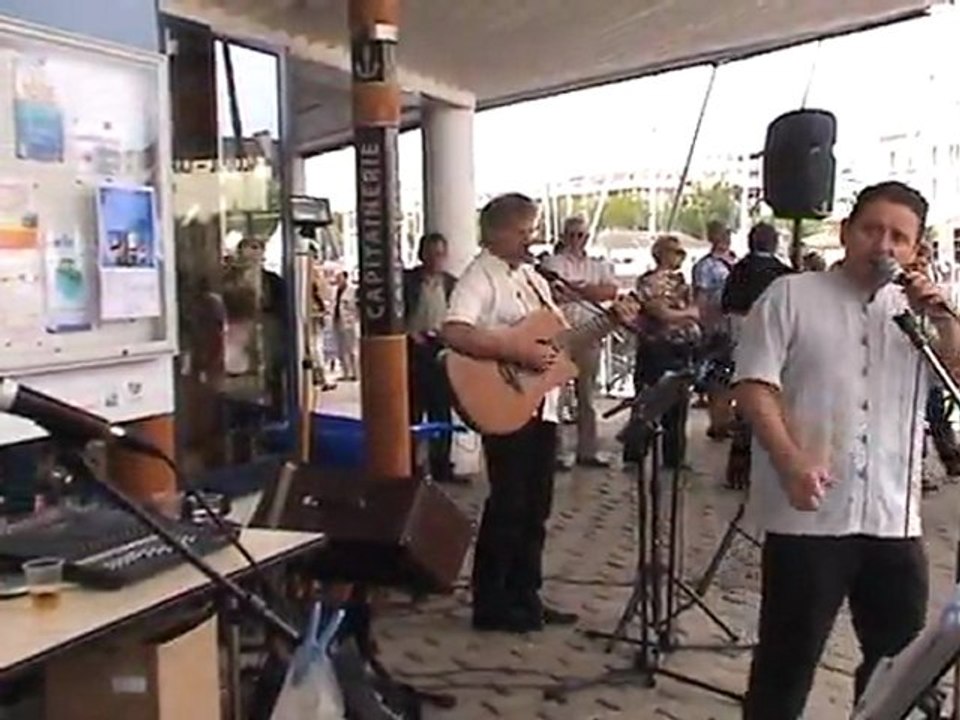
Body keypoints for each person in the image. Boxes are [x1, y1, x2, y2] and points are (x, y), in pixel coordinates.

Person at [734, 181, 960, 719]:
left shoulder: (918, 314)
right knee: (786, 664)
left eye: (899, 237)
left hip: (892, 518)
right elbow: (754, 385)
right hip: (808, 519)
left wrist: (945, 319)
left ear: (916, 249)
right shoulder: (791, 295)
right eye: (871, 230)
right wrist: (789, 460)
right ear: (845, 233)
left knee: (899, 667)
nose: (883, 246)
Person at [441, 193, 583, 633]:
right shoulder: (479, 276)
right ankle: (491, 601)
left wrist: (613, 318)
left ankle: (527, 594)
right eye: (523, 231)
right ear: (498, 232)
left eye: (532, 230)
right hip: (503, 402)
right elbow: (455, 331)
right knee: (508, 503)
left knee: (536, 505)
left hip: (541, 406)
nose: (531, 239)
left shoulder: (533, 278)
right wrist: (514, 348)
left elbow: (555, 340)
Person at [721, 223, 795, 490]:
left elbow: (726, 305)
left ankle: (738, 470)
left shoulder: (738, 270)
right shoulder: (783, 274)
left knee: (745, 402)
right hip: (778, 344)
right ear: (773, 243)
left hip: (742, 338)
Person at [541, 215, 619, 469]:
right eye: (572, 235)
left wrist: (576, 290)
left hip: (591, 332)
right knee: (558, 397)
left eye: (581, 235)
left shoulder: (598, 264)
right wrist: (587, 290)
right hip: (561, 334)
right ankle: (557, 452)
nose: (576, 240)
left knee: (587, 396)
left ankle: (588, 451)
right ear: (563, 237)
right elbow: (554, 293)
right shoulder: (553, 262)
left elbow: (609, 291)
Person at [628, 235, 701, 469]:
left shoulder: (682, 282)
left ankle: (674, 456)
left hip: (681, 346)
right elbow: (660, 312)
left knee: (679, 403)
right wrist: (687, 314)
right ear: (663, 254)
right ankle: (636, 452)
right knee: (648, 400)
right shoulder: (650, 281)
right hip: (656, 347)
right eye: (676, 252)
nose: (681, 257)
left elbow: (695, 311)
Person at [403, 232, 462, 484]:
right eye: (430, 254)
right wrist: (409, 332)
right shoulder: (407, 282)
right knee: (413, 411)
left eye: (440, 254)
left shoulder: (452, 284)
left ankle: (441, 465)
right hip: (414, 350)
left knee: (441, 412)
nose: (435, 259)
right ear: (421, 254)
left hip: (441, 350)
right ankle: (409, 464)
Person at [692, 220, 737, 439]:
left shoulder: (736, 261)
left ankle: (728, 417)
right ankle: (718, 421)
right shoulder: (705, 266)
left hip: (735, 325)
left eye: (727, 234)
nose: (725, 238)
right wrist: (704, 324)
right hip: (716, 325)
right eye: (721, 234)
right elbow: (701, 298)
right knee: (717, 376)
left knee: (731, 374)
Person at [331, 270, 358, 381]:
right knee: (341, 349)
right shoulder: (336, 291)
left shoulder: (352, 290)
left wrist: (353, 318)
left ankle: (355, 373)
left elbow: (356, 307)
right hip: (338, 322)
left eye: (340, 277)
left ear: (345, 278)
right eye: (337, 278)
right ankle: (346, 373)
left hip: (349, 323)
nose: (338, 280)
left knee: (352, 349)